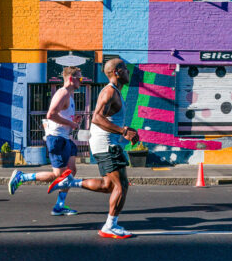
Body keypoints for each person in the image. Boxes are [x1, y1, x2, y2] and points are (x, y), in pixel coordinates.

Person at [47, 58, 139, 239]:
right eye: (125, 69)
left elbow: (108, 120)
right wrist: (123, 131)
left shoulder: (116, 93)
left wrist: (125, 132)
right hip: (106, 144)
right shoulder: (109, 92)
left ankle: (70, 182)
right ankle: (109, 226)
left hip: (106, 143)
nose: (128, 72)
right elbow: (97, 118)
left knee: (107, 186)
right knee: (121, 186)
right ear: (117, 72)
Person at [8, 66, 82, 216]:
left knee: (71, 171)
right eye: (79, 78)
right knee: (58, 176)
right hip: (57, 139)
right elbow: (51, 114)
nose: (81, 81)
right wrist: (71, 124)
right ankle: (22, 177)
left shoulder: (70, 96)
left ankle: (60, 205)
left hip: (65, 138)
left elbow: (61, 116)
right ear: (71, 78)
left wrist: (73, 121)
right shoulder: (63, 93)